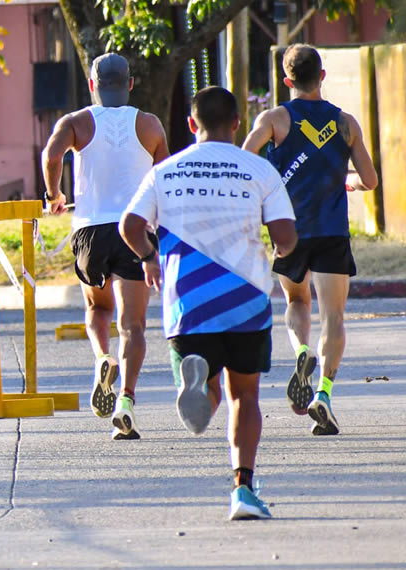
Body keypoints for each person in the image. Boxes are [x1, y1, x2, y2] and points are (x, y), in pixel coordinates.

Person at [120, 86, 298, 520]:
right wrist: (276, 254)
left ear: (190, 125)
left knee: (210, 385)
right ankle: (243, 488)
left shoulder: (165, 171)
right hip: (246, 300)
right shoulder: (258, 169)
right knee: (245, 397)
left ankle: (198, 382)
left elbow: (130, 225)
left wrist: (149, 257)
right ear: (237, 123)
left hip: (188, 302)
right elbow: (288, 239)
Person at [241, 44, 379, 436]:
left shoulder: (274, 119)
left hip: (290, 232)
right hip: (333, 232)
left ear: (287, 81)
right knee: (333, 317)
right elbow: (369, 180)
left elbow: (243, 160)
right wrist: (348, 180)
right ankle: (324, 394)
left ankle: (302, 351)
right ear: (322, 76)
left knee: (296, 300)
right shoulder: (345, 122)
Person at [41, 53, 170, 440]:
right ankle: (126, 402)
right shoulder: (149, 124)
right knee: (133, 325)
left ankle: (103, 357)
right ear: (130, 84)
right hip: (135, 229)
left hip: (90, 231)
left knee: (98, 308)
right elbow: (163, 177)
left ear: (92, 84)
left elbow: (51, 154)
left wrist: (54, 194)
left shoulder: (76, 122)